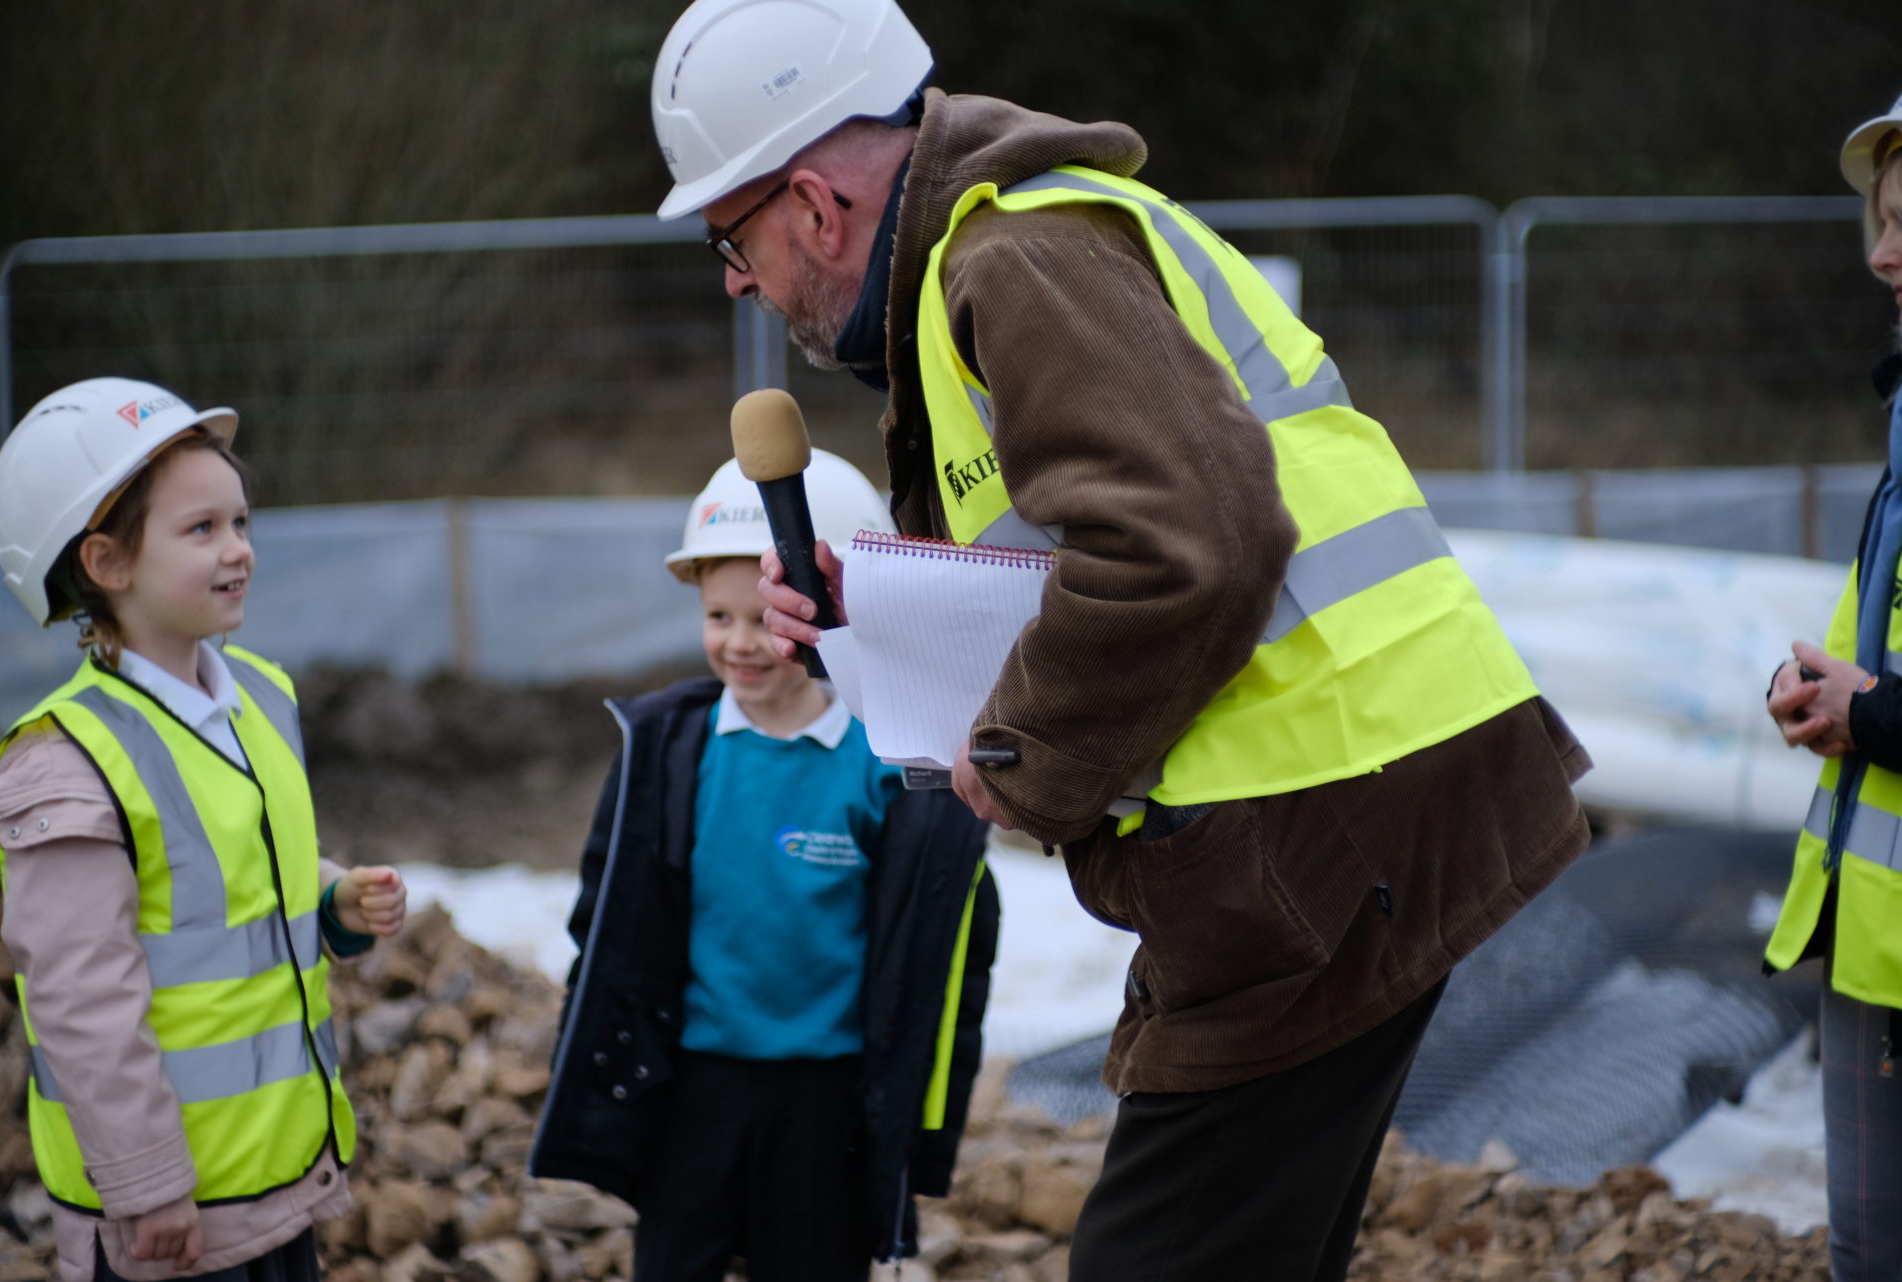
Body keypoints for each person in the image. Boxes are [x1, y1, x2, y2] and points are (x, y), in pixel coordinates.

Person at [647, 2, 1594, 1278]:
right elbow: (1091, 547)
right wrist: (876, 613)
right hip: (1354, 787)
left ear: (815, 206)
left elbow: (1184, 544)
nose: (733, 278)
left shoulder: (1014, 260)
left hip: (1318, 808)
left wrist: (1025, 753)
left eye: (731, 236)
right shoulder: (1000, 260)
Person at [528, 449, 998, 1282]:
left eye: (766, 619)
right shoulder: (669, 752)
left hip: (825, 1101)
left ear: (839, 612)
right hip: (692, 1086)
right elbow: (605, 923)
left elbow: (928, 955)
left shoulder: (884, 764)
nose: (741, 643)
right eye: (719, 616)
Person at [0, 377, 407, 1282]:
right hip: (169, 1221)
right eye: (202, 529)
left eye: (240, 522)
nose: (238, 548)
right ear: (106, 562)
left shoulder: (260, 695)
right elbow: (82, 1004)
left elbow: (240, 877)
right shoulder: (64, 763)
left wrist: (332, 898)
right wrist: (146, 1184)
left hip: (280, 1178)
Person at [1763, 90, 1902, 1282]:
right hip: (1874, 937)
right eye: (1882, 221)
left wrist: (1872, 713)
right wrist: (1813, 687)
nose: (1881, 255)